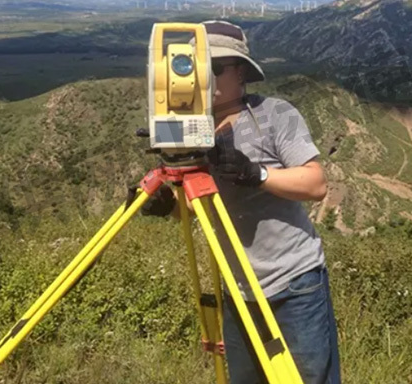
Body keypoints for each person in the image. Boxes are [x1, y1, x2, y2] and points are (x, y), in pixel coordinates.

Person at [142, 20, 341, 384]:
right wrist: (162, 203)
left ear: (241, 73)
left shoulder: (276, 114)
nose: (206, 78)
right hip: (238, 287)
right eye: (199, 68)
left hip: (295, 282)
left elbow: (316, 183)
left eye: (215, 68)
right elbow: (188, 207)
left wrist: (257, 175)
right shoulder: (189, 130)